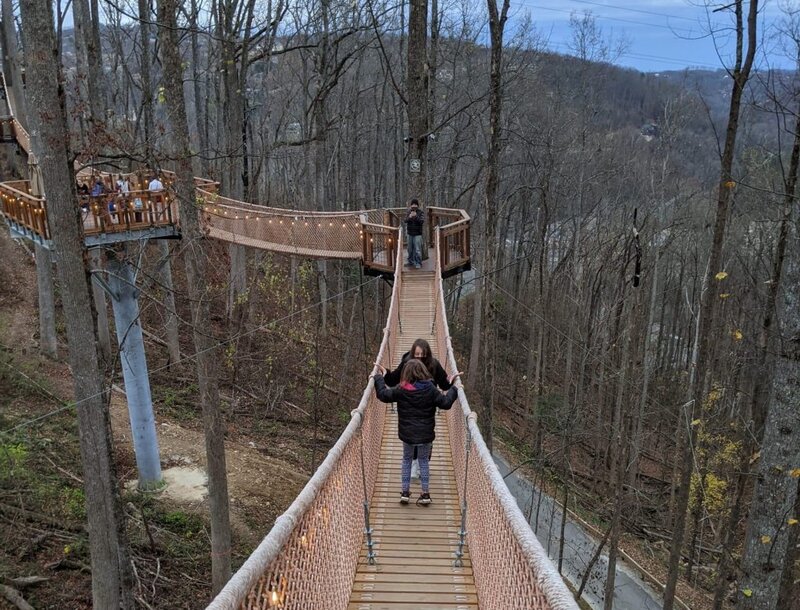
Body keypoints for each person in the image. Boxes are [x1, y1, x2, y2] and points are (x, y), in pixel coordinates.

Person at [373, 359, 458, 505]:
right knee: (423, 461)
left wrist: (379, 378)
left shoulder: (401, 389)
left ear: (406, 373)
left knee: (406, 460)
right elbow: (445, 403)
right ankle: (425, 494)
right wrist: (455, 389)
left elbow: (383, 395)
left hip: (407, 435)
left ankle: (405, 493)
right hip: (425, 435)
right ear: (423, 371)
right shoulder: (430, 389)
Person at [383, 338, 462, 479]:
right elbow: (393, 379)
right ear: (413, 353)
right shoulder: (407, 363)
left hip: (427, 408)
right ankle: (414, 465)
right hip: (409, 405)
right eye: (417, 354)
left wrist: (452, 382)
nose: (420, 357)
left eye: (423, 355)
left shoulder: (434, 365)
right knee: (413, 436)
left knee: (425, 438)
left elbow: (444, 384)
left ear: (427, 354)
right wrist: (385, 374)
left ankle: (420, 466)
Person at [405, 198, 424, 269]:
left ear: (417, 205)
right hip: (410, 233)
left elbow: (422, 221)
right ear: (411, 205)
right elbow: (405, 220)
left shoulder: (421, 212)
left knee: (417, 250)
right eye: (413, 204)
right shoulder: (408, 212)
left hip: (418, 234)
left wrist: (416, 216)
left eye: (415, 204)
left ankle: (418, 262)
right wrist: (409, 217)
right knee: (409, 249)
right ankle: (410, 261)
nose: (414, 206)